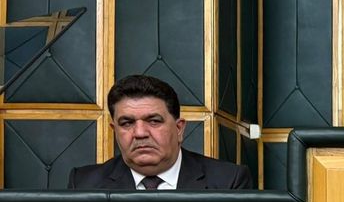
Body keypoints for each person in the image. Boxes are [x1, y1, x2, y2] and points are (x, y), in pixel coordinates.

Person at [68, 75, 253, 190]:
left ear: (179, 129)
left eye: (154, 121)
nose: (140, 133)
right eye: (127, 123)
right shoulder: (84, 184)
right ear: (114, 131)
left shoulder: (228, 182)